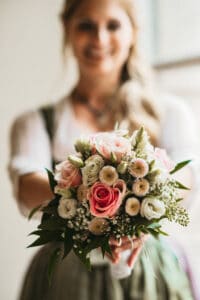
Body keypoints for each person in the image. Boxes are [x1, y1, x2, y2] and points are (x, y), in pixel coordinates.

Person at [8, 0, 200, 299]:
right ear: (67, 30)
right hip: (65, 278)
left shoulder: (170, 112)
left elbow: (186, 179)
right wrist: (104, 208)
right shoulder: (36, 122)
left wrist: (136, 212)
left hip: (151, 273)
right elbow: (26, 187)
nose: (99, 38)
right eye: (86, 25)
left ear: (133, 32)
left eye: (112, 25)